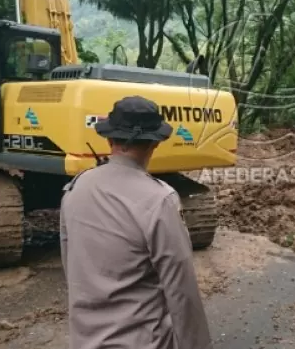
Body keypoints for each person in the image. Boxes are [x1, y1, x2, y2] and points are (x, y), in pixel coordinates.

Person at [60, 95, 212, 349]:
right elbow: (181, 290)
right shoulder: (160, 199)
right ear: (155, 144)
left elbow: (70, 264)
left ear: (109, 139)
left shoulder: (76, 188)